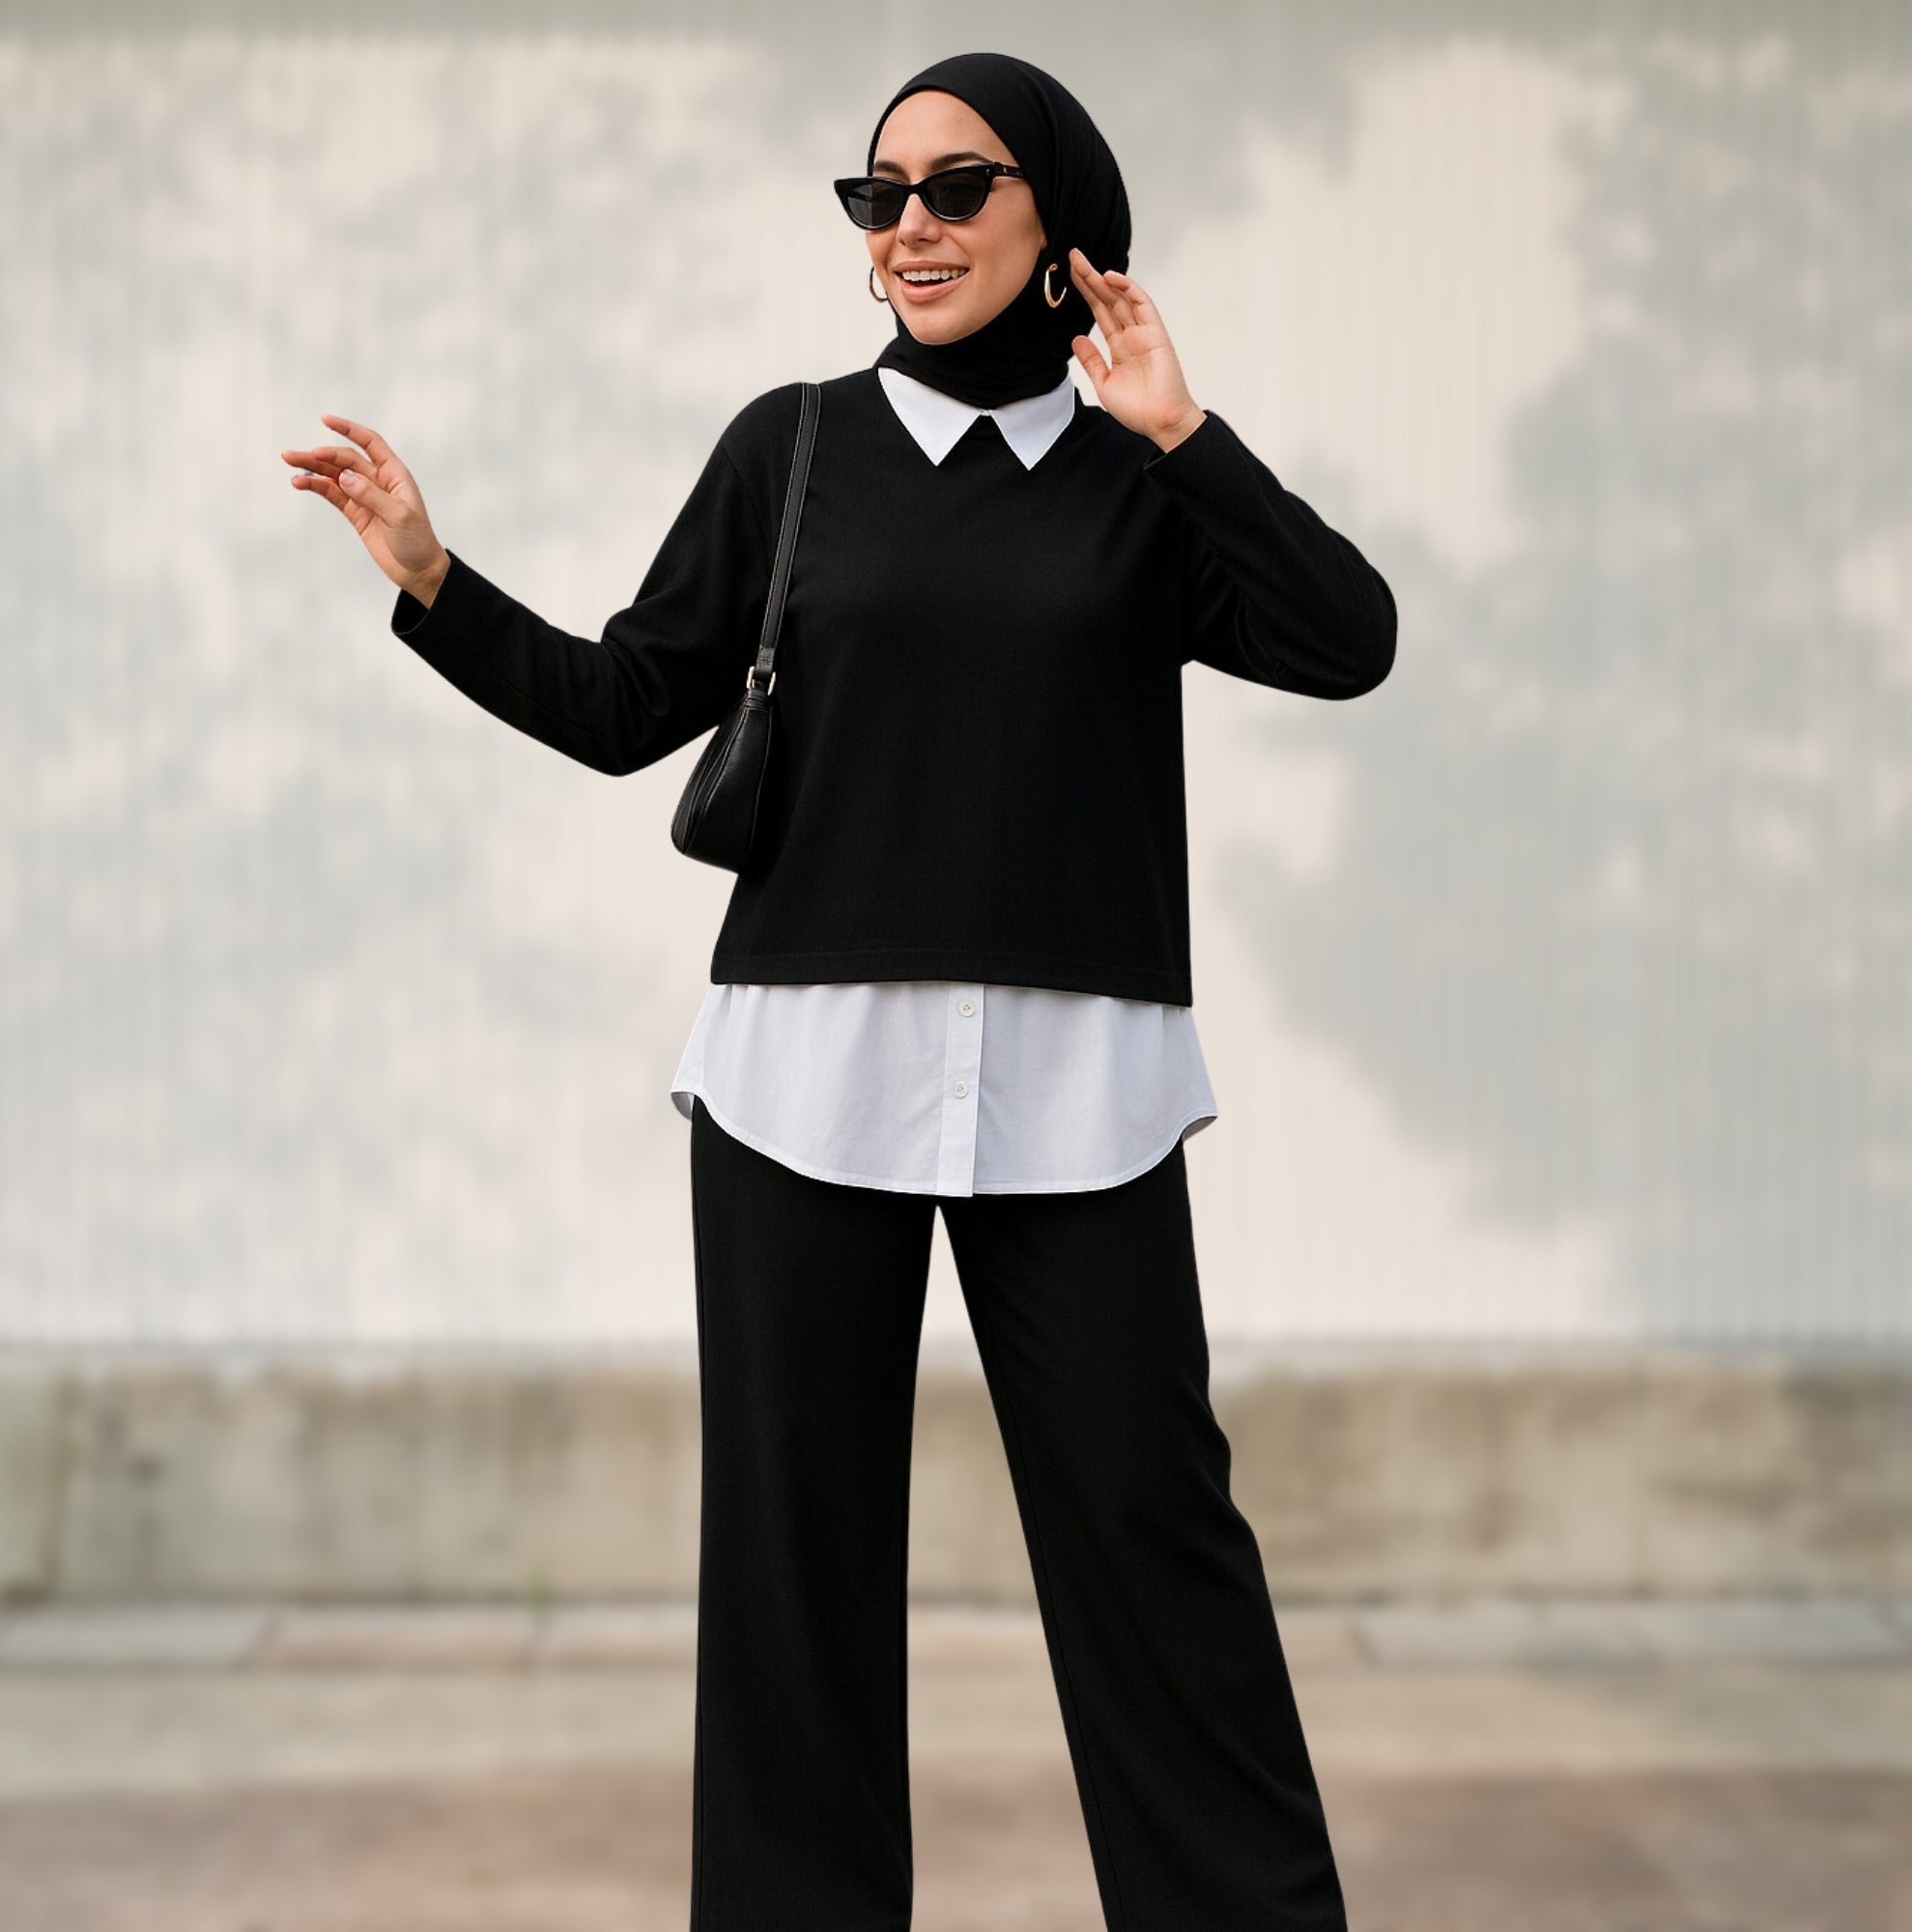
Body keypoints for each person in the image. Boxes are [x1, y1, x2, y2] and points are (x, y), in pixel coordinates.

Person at [283, 47, 1393, 1932]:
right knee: (794, 1576)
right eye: (878, 195)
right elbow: (630, 706)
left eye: (956, 187)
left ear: (1059, 216)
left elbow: (1347, 640)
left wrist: (1185, 432)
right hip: (802, 1081)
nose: (909, 227)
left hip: (1081, 1088)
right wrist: (431, 575)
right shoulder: (789, 449)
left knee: (1156, 1541)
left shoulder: (1139, 482)